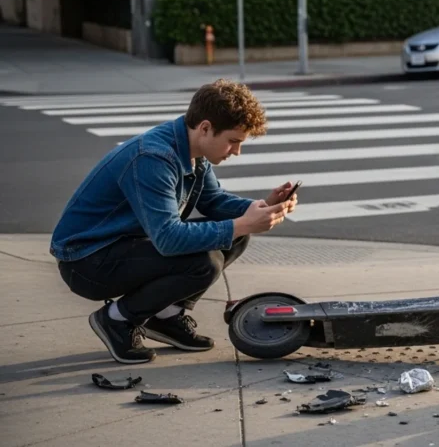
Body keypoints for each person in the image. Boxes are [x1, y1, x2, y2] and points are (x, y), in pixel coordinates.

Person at [50, 79, 299, 364]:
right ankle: (116, 320)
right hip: (86, 261)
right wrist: (244, 223)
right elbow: (169, 239)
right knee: (205, 261)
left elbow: (214, 201)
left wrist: (263, 208)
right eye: (233, 141)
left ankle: (165, 316)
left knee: (236, 233)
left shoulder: (192, 148)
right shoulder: (153, 158)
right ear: (205, 128)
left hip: (126, 244)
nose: (236, 151)